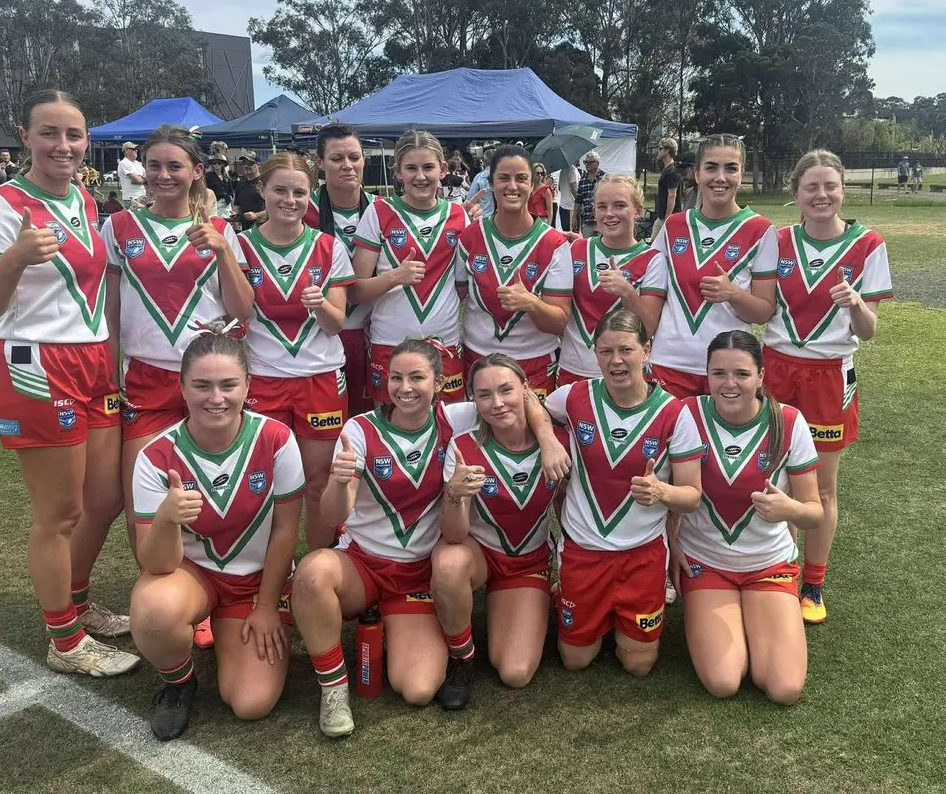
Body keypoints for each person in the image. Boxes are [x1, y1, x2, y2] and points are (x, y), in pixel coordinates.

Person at [290, 338, 564, 736]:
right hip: (363, 563)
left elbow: (520, 400)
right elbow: (335, 514)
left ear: (438, 382)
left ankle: (398, 626)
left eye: (417, 377)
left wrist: (548, 438)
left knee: (418, 689)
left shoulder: (457, 418)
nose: (405, 388)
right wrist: (339, 481)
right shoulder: (360, 428)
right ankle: (333, 689)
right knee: (313, 573)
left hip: (420, 577)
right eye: (395, 377)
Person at [0, 89, 138, 677]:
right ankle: (65, 641)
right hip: (37, 366)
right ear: (25, 136)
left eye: (74, 135)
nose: (63, 146)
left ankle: (79, 603)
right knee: (59, 513)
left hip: (91, 364)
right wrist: (13, 258)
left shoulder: (86, 200)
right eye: (50, 133)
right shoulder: (2, 204)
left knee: (104, 499)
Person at [129, 325, 304, 740]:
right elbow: (155, 563)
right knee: (155, 612)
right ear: (182, 388)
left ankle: (243, 623)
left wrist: (265, 606)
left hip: (255, 583)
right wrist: (168, 518)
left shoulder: (276, 438)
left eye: (228, 385)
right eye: (202, 385)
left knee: (250, 703)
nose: (216, 398)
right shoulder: (156, 455)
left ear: (248, 384)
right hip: (195, 576)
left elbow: (285, 532)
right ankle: (178, 682)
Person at [101, 124, 254, 582]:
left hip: (209, 380)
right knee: (141, 500)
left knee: (210, 490)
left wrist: (224, 251)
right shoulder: (119, 226)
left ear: (197, 171)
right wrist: (112, 372)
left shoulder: (223, 230)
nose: (163, 175)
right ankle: (159, 586)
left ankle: (210, 584)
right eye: (154, 166)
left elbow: (243, 308)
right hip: (145, 379)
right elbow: (110, 310)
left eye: (175, 166)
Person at [748, 149, 892, 625]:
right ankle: (776, 566)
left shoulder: (867, 243)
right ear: (796, 195)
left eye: (830, 185)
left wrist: (855, 304)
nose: (822, 195)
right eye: (811, 187)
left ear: (843, 190)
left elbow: (869, 331)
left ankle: (813, 581)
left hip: (830, 372)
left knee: (823, 486)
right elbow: (760, 305)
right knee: (769, 471)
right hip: (777, 366)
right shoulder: (777, 239)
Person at [545, 310, 703, 676]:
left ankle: (620, 614)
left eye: (626, 350)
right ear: (594, 354)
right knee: (575, 660)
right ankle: (571, 593)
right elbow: (532, 408)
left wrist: (663, 491)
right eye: (605, 351)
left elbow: (692, 496)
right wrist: (546, 441)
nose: (616, 361)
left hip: (642, 556)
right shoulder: (574, 396)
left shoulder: (674, 413)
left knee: (639, 665)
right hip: (584, 551)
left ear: (646, 351)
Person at [673, 330, 822, 703]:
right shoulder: (686, 414)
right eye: (718, 373)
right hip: (705, 564)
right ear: (706, 376)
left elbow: (814, 511)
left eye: (741, 374)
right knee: (723, 681)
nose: (729, 384)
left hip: (768, 564)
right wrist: (670, 543)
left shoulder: (788, 421)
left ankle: (759, 616)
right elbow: (669, 489)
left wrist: (790, 510)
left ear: (761, 375)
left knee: (784, 688)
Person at [236, 153, 354, 552]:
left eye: (299, 192)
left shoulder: (328, 246)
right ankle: (274, 575)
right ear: (262, 191)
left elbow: (336, 323)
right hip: (263, 378)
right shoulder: (240, 247)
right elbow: (234, 312)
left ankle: (319, 567)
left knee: (319, 481)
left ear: (310, 196)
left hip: (319, 377)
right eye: (280, 190)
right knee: (265, 482)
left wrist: (321, 304)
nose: (290, 200)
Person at [429, 354, 561, 709]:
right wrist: (454, 496)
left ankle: (535, 597)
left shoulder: (556, 440)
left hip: (527, 561)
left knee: (514, 672)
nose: (497, 403)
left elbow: (570, 506)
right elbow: (454, 535)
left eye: (506, 390)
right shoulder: (464, 447)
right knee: (448, 563)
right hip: (481, 554)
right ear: (474, 400)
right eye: (484, 395)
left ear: (526, 390)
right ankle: (462, 657)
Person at [648, 134, 777, 399]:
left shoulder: (760, 230)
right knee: (672, 440)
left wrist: (733, 294)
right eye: (711, 167)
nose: (720, 177)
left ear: (742, 174)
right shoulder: (674, 226)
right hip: (670, 363)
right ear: (696, 174)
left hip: (728, 368)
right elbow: (646, 281)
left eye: (731, 168)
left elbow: (764, 312)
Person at [351, 130, 471, 404]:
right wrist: (394, 277)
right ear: (398, 172)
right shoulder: (379, 212)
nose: (420, 176)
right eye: (411, 168)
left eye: (428, 167)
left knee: (447, 425)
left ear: (442, 170)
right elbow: (356, 291)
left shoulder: (459, 214)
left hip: (445, 340)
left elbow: (463, 286)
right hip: (390, 342)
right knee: (390, 423)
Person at [457, 144, 572, 399]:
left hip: (534, 363)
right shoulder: (469, 237)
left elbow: (558, 322)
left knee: (532, 436)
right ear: (491, 183)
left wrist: (531, 303)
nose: (512, 186)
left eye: (521, 178)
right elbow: (458, 294)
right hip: (480, 360)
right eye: (503, 178)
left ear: (532, 185)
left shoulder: (554, 244)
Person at [557, 175, 667, 385]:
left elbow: (648, 327)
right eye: (602, 206)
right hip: (572, 369)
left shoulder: (652, 260)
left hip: (623, 374)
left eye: (619, 205)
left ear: (638, 210)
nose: (609, 214)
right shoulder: (576, 249)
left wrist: (627, 292)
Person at [304, 124, 376, 419]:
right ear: (319, 162)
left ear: (364, 160)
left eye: (354, 157)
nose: (347, 166)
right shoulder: (299, 210)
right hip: (316, 337)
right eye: (336, 159)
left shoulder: (383, 211)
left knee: (367, 421)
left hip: (371, 334)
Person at [652, 137, 681, 239]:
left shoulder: (672, 171)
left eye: (660, 149)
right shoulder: (667, 169)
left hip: (668, 217)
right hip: (663, 216)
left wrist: (667, 219)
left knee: (654, 246)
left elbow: (672, 195)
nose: (658, 151)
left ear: (667, 150)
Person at [573, 152, 606, 237]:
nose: (587, 164)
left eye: (590, 162)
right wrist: (574, 217)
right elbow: (578, 200)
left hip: (602, 219)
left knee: (603, 244)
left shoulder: (605, 178)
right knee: (588, 245)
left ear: (597, 163)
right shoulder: (582, 179)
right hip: (587, 220)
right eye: (585, 162)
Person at [230, 154, 264, 229]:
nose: (246, 166)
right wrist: (235, 214)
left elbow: (272, 208)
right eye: (244, 163)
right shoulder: (240, 185)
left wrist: (256, 215)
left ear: (258, 165)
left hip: (263, 227)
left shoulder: (265, 182)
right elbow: (237, 205)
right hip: (246, 229)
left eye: (250, 163)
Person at [118, 142, 147, 209]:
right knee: (135, 218)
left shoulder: (137, 163)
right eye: (133, 149)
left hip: (142, 196)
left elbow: (147, 177)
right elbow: (138, 180)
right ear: (126, 151)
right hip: (131, 198)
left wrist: (140, 179)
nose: (136, 150)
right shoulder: (124, 163)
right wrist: (142, 179)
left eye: (136, 149)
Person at [465, 154, 494, 219]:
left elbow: (469, 199)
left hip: (485, 217)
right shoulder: (503, 177)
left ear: (484, 161)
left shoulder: (479, 177)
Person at [555, 157, 579, 232]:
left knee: (566, 232)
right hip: (571, 206)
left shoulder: (562, 170)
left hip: (563, 206)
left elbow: (559, 188)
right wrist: (580, 202)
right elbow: (573, 189)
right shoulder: (572, 169)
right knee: (573, 233)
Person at [675, 151, 698, 216]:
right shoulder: (689, 193)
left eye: (684, 173)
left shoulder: (710, 197)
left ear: (696, 169)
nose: (682, 178)